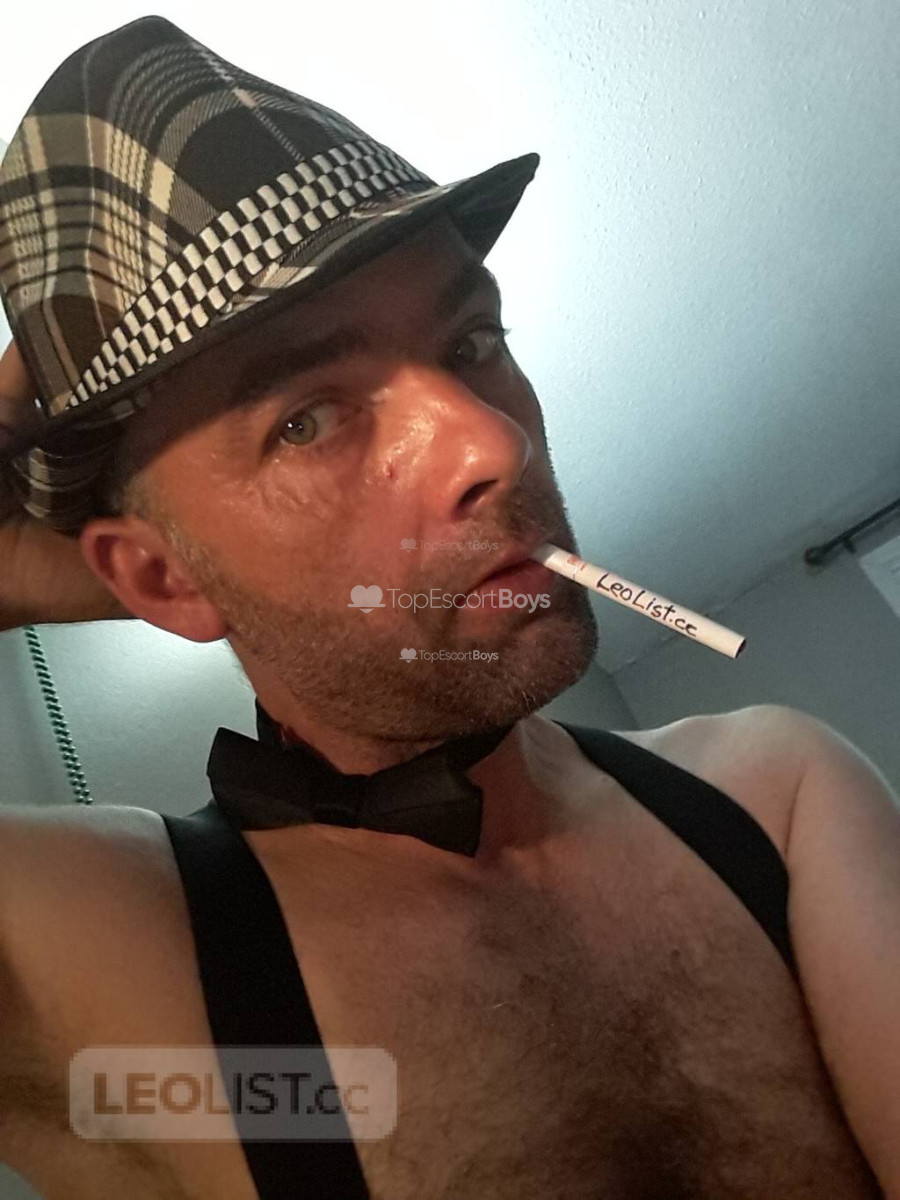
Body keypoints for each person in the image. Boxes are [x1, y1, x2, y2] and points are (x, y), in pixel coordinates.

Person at [1, 17, 899, 1200]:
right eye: (306, 419)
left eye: (472, 339)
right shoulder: (96, 944)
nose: (492, 439)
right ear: (165, 579)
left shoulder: (773, 796)